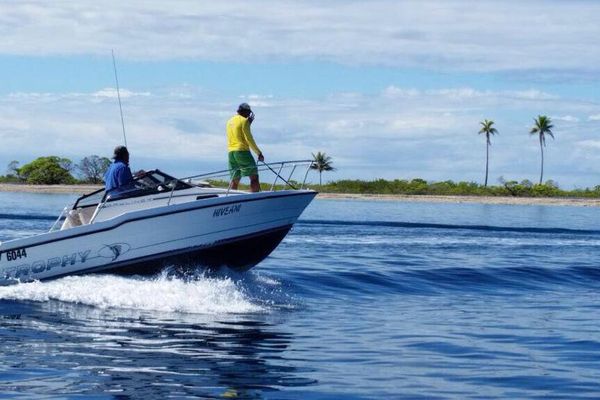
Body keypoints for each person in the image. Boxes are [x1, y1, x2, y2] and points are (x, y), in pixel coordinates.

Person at [226, 103, 265, 192]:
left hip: (231, 153)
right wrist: (259, 153)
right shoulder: (244, 121)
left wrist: (248, 124)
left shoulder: (229, 121)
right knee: (254, 177)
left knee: (235, 180)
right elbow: (248, 138)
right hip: (242, 152)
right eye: (248, 113)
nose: (249, 115)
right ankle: (254, 197)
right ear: (246, 112)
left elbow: (238, 133)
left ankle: (231, 198)